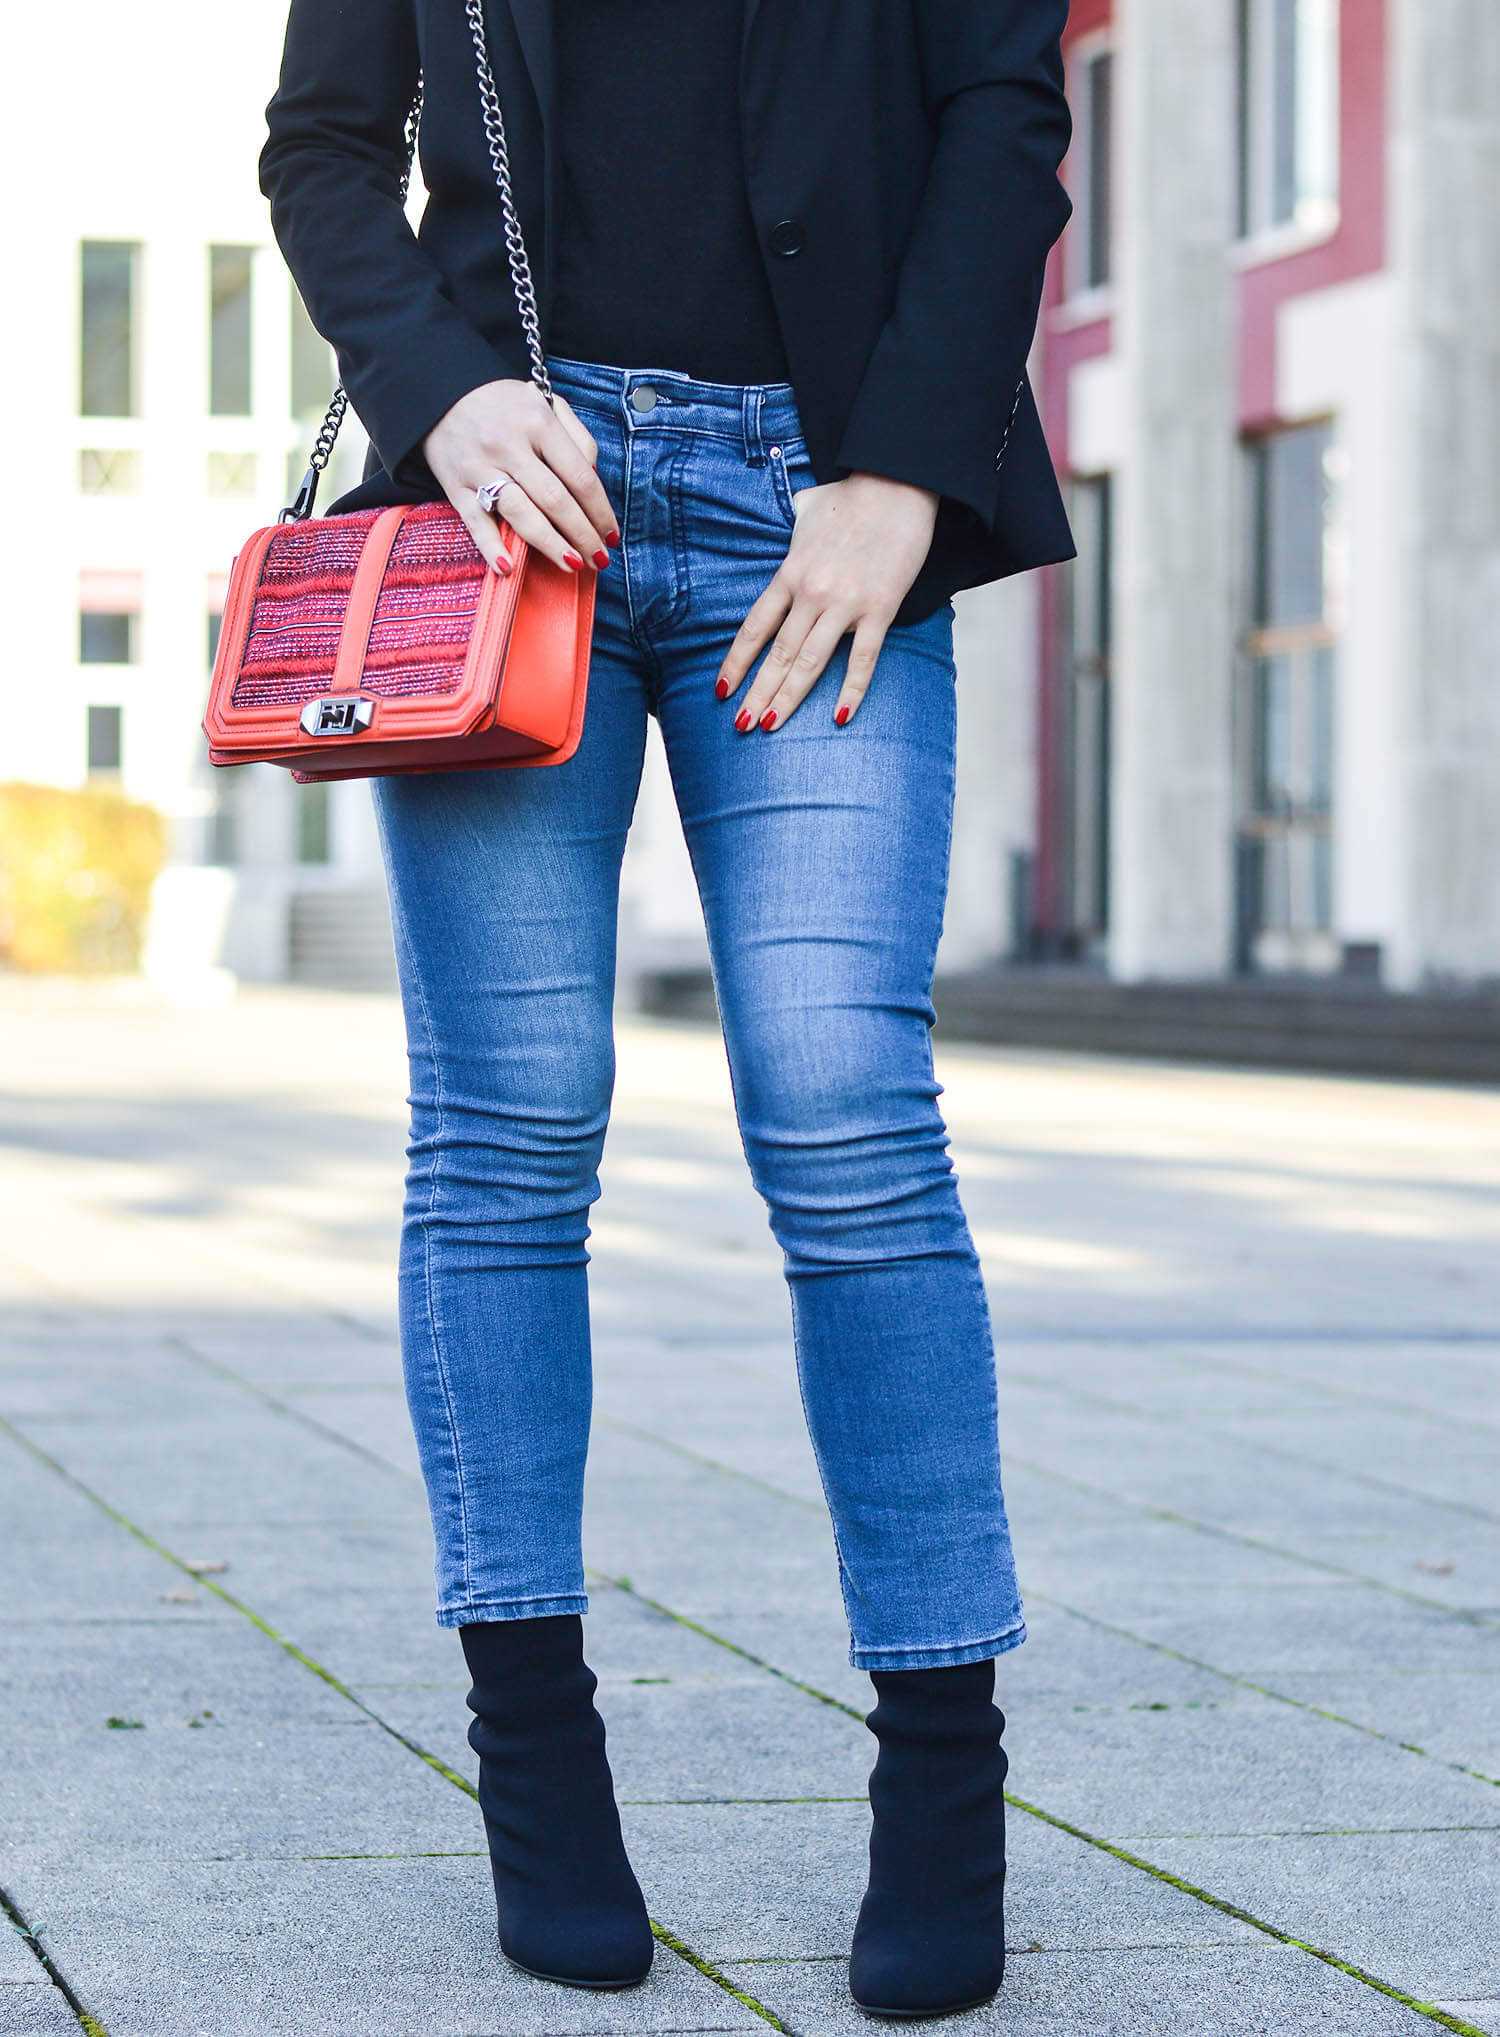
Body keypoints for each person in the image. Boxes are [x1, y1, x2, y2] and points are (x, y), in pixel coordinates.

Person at [261, 0, 1073, 2017]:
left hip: (815, 502)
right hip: (500, 512)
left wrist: (904, 466)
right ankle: (535, 1754)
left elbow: (1003, 117)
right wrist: (438, 389)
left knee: (842, 1099)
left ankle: (944, 1783)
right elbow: (323, 146)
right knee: (514, 1119)